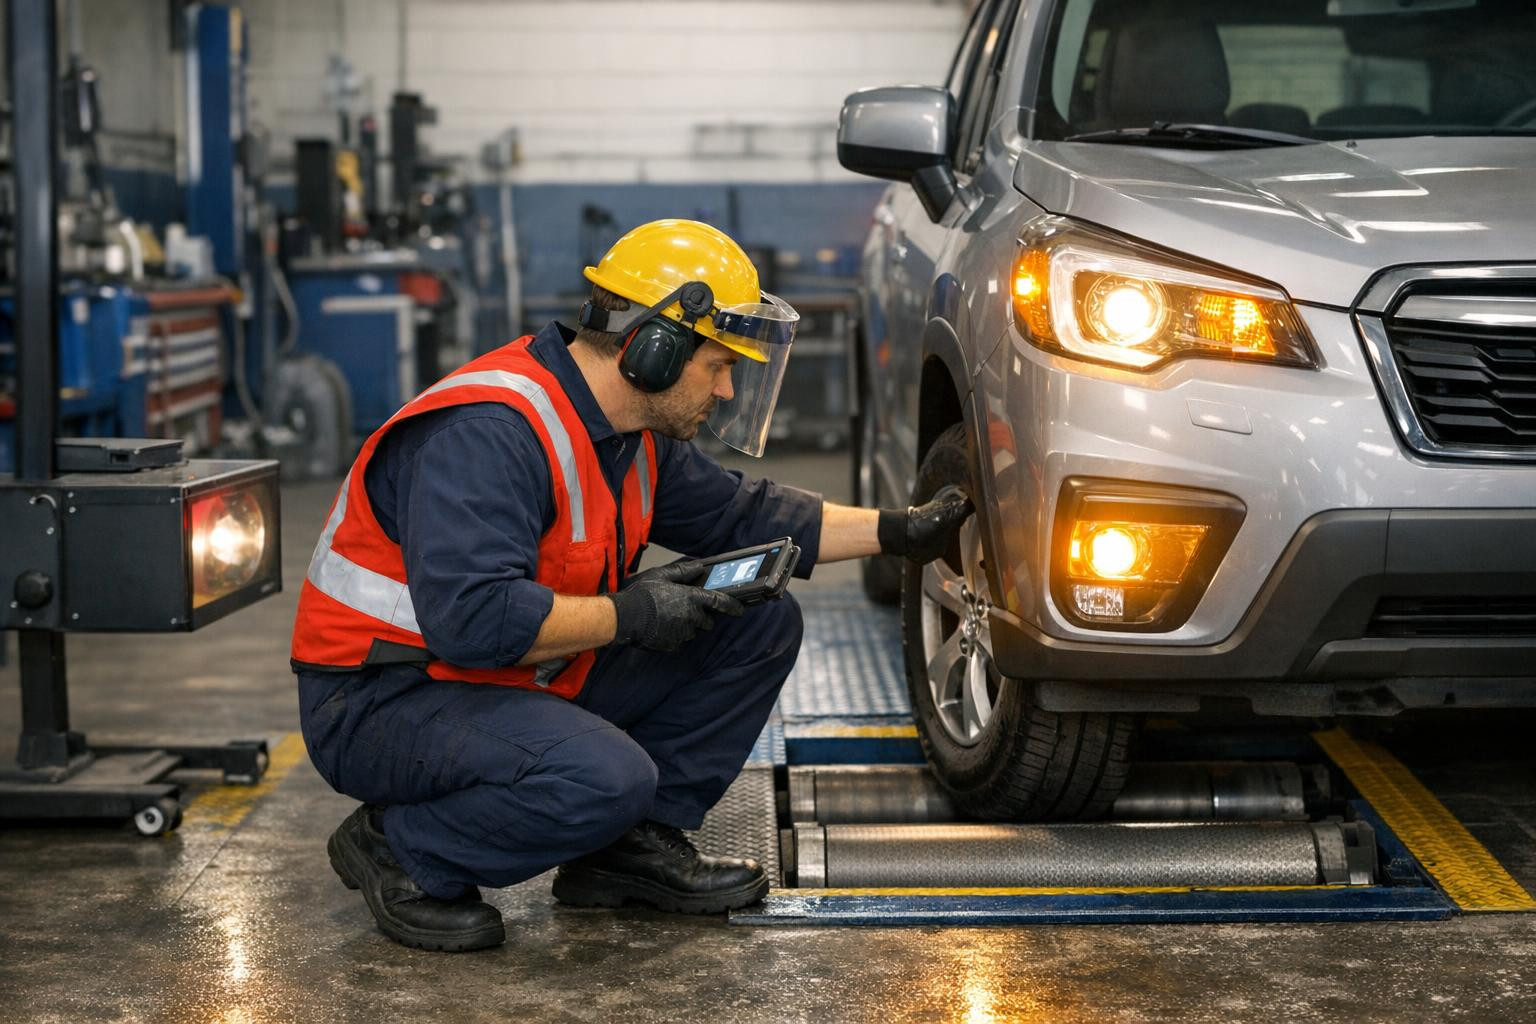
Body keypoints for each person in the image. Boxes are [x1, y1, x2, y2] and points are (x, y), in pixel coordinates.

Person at [290, 219, 971, 952]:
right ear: (655, 347)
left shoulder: (632, 436)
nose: (727, 387)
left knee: (758, 622)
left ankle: (624, 853)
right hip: (381, 701)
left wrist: (901, 532)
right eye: (716, 364)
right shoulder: (487, 433)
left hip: (493, 674)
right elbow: (474, 621)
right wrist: (634, 614)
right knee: (604, 778)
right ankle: (404, 847)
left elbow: (746, 514)